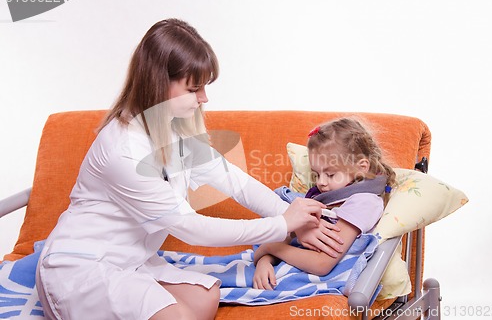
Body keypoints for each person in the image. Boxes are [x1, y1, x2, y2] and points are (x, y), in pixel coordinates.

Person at [35, 18, 338, 320]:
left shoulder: (172, 131)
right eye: (194, 88)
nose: (204, 98)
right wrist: (282, 225)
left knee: (205, 298)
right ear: (158, 83)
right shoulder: (124, 150)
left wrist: (295, 217)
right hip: (81, 267)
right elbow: (191, 228)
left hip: (130, 260)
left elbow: (236, 182)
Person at [252, 118, 395, 290]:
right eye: (316, 174)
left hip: (318, 275)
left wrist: (271, 249)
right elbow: (289, 240)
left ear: (361, 167)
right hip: (287, 263)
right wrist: (265, 261)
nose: (321, 182)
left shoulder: (363, 202)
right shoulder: (326, 197)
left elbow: (322, 264)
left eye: (330, 174)